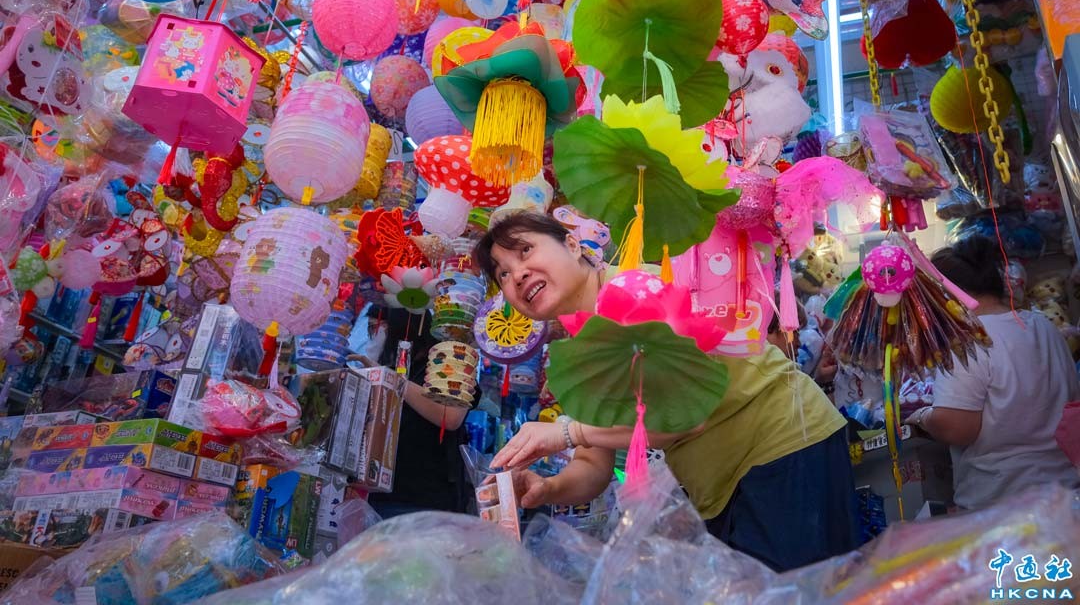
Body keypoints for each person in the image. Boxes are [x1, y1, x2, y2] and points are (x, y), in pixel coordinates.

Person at [473, 212, 859, 572]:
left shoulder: (634, 288)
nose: (517, 274)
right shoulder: (581, 345)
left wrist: (565, 433)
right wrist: (548, 487)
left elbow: (686, 416)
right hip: (724, 483)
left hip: (781, 446)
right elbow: (593, 463)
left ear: (572, 245)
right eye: (503, 273)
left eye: (526, 251)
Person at [907, 237, 1080, 510]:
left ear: (947, 296)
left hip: (1004, 502)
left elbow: (956, 427)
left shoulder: (967, 342)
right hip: (1066, 492)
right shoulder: (1042, 326)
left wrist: (922, 416)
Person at [362, 307, 476, 518]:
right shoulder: (395, 367)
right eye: (371, 330)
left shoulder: (448, 363)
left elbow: (451, 417)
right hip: (381, 494)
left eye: (376, 328)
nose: (374, 336)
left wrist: (392, 380)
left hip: (429, 499)